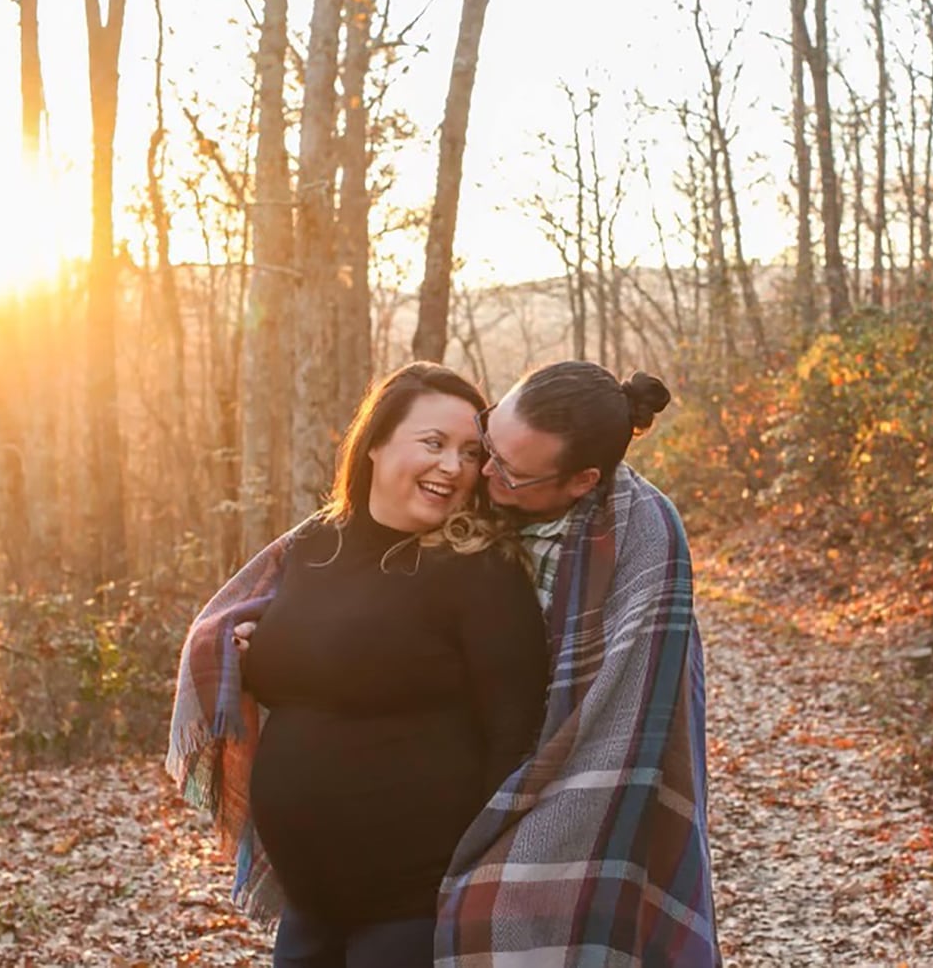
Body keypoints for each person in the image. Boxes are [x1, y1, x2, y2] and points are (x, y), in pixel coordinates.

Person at [166, 362, 549, 968]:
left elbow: (516, 739)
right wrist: (251, 653)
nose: (453, 466)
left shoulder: (480, 572)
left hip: (413, 905)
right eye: (433, 442)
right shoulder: (315, 545)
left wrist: (481, 883)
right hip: (310, 903)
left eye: (471, 453)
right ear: (374, 444)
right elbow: (312, 665)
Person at [435, 360, 721, 966]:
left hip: (567, 774)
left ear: (581, 482)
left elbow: (632, 714)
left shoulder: (642, 541)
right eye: (489, 442)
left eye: (509, 472)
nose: (483, 472)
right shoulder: (472, 480)